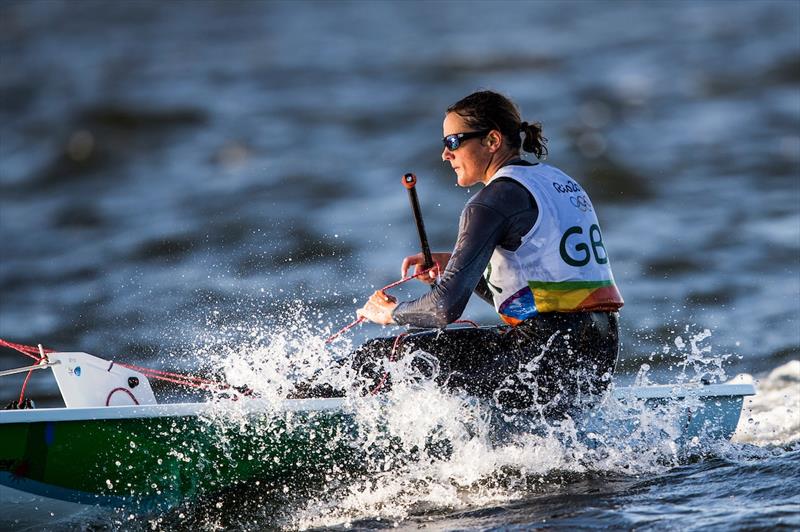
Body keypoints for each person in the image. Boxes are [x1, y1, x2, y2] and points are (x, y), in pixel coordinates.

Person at [354, 90, 624, 417]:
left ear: (492, 140)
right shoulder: (559, 181)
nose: (445, 154)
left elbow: (442, 309)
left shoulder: (490, 201)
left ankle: (300, 407)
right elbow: (537, 293)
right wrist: (455, 269)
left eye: (453, 142)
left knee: (386, 357)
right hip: (598, 354)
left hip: (542, 354)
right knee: (430, 353)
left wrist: (391, 313)